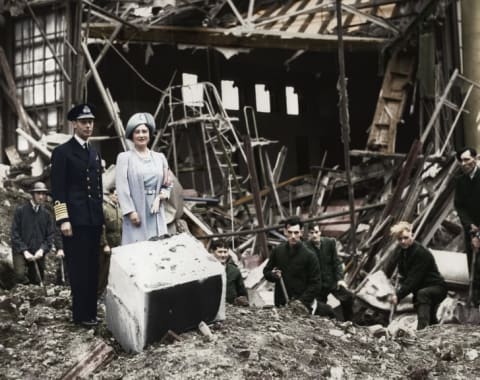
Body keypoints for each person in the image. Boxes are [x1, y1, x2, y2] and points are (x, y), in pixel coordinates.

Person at [50, 103, 104, 328]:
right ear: (74, 124)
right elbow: (58, 190)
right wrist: (63, 219)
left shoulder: (93, 152)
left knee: (93, 268)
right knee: (79, 268)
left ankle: (91, 312)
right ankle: (80, 315)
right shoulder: (63, 152)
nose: (88, 126)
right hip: (74, 222)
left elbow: (97, 189)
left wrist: (100, 218)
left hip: (93, 220)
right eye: (84, 122)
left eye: (91, 122)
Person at [116, 112, 172, 245]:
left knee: (158, 247)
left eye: (144, 131)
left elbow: (168, 184)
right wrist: (130, 212)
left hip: (156, 210)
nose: (141, 135)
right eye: (137, 132)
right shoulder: (124, 158)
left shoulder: (160, 158)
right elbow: (122, 187)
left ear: (149, 134)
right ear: (132, 135)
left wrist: (161, 197)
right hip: (137, 210)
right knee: (139, 248)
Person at [388, 221, 447, 330]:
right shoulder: (403, 252)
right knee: (431, 317)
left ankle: (421, 333)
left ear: (412, 234)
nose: (403, 241)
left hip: (437, 287)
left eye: (405, 238)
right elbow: (403, 273)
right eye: (399, 239)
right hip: (422, 288)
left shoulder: (421, 253)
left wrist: (398, 295)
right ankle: (434, 331)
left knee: (422, 295)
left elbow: (414, 279)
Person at [263, 216, 322, 313]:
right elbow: (266, 272)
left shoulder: (310, 255)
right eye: (290, 232)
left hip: (301, 306)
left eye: (296, 232)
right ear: (285, 231)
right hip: (281, 303)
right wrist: (273, 275)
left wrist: (300, 302)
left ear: (302, 232)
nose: (293, 236)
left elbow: (316, 284)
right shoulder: (278, 251)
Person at [305, 223, 353, 321]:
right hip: (319, 286)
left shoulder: (329, 243)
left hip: (332, 281)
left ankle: (349, 322)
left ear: (320, 232)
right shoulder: (305, 248)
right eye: (311, 233)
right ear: (308, 235)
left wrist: (340, 279)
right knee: (322, 310)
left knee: (348, 296)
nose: (314, 235)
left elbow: (337, 263)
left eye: (316, 232)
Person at [11, 181, 55, 285]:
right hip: (21, 251)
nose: (41, 197)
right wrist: (24, 251)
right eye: (38, 193)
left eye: (43, 194)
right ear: (32, 194)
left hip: (37, 253)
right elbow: (14, 234)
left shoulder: (47, 215)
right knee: (20, 275)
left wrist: (42, 250)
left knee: (37, 280)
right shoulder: (20, 211)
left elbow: (50, 236)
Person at [454, 147, 480, 305]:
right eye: (461, 161)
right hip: (470, 228)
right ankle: (476, 301)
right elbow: (459, 206)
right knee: (473, 264)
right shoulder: (460, 181)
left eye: (467, 159)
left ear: (475, 158)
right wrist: (470, 226)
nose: (464, 163)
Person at [98, 188, 122, 297]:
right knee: (103, 270)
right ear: (111, 195)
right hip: (107, 243)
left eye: (119, 195)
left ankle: (109, 294)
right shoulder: (105, 209)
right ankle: (98, 293)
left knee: (114, 270)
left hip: (118, 243)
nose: (117, 197)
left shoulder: (120, 210)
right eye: (115, 195)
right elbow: (101, 228)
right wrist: (105, 244)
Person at [210, 239, 249, 306]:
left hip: (231, 308)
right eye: (220, 252)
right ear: (212, 252)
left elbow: (242, 293)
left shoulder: (234, 270)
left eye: (225, 252)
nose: (223, 255)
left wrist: (243, 302)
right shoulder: (207, 270)